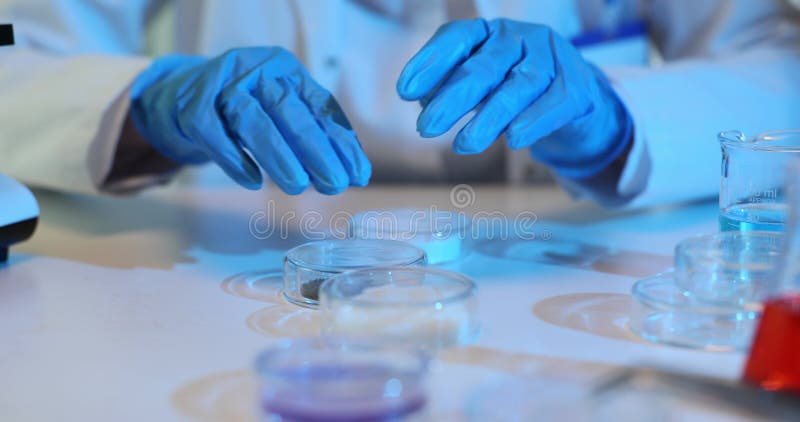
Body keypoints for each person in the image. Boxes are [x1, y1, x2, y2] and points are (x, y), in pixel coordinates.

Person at [0, 0, 797, 208]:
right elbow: (17, 61)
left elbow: (782, 69)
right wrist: (146, 105)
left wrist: (616, 124)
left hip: (557, 283)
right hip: (233, 259)